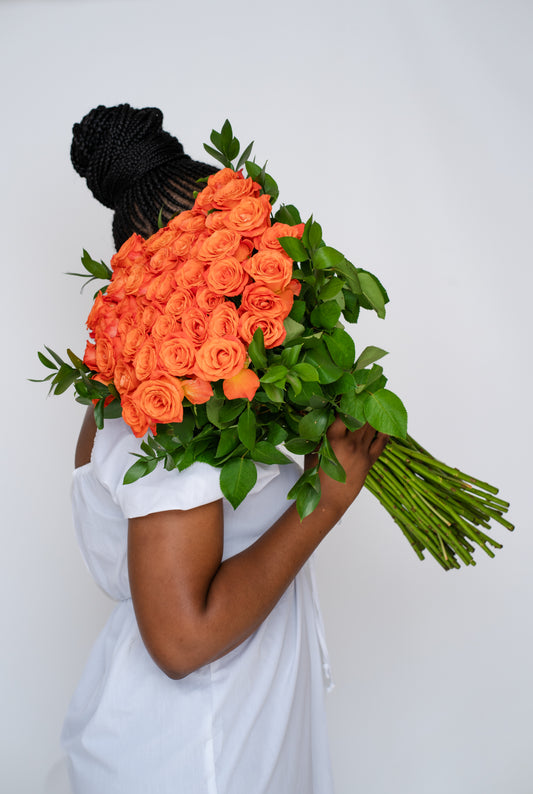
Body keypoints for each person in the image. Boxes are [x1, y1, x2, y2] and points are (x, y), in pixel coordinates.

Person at [62, 103, 389, 794]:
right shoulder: (174, 416)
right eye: (232, 252)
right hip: (199, 754)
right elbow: (182, 641)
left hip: (207, 730)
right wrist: (323, 504)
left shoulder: (120, 396)